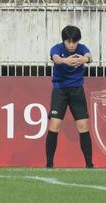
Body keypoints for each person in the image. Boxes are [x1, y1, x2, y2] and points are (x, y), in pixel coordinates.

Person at [46, 25, 94, 168]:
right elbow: (55, 58)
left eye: (74, 42)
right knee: (54, 125)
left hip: (77, 90)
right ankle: (49, 164)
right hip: (60, 90)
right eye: (69, 42)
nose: (72, 45)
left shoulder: (82, 49)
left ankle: (89, 165)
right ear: (64, 41)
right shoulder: (57, 49)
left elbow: (90, 56)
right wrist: (65, 61)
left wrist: (85, 59)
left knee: (83, 126)